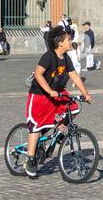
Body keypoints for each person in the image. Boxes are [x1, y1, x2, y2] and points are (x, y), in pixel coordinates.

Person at [23, 27, 92, 177]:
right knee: (36, 126)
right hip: (41, 95)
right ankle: (30, 159)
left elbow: (74, 75)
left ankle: (60, 128)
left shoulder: (66, 59)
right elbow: (39, 74)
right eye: (68, 39)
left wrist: (85, 94)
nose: (70, 41)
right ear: (60, 43)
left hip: (58, 93)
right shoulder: (48, 56)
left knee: (73, 108)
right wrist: (49, 91)